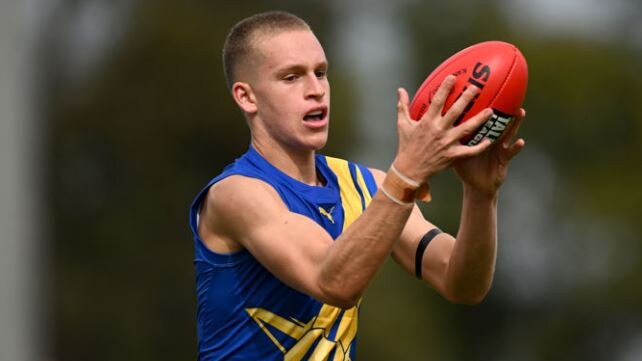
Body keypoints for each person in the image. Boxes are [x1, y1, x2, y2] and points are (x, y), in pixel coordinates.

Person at [188, 10, 526, 361]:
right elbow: (332, 281)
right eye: (291, 78)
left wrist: (481, 195)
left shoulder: (366, 185)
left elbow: (462, 284)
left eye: (320, 73)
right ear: (247, 97)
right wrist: (407, 171)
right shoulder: (237, 194)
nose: (315, 90)